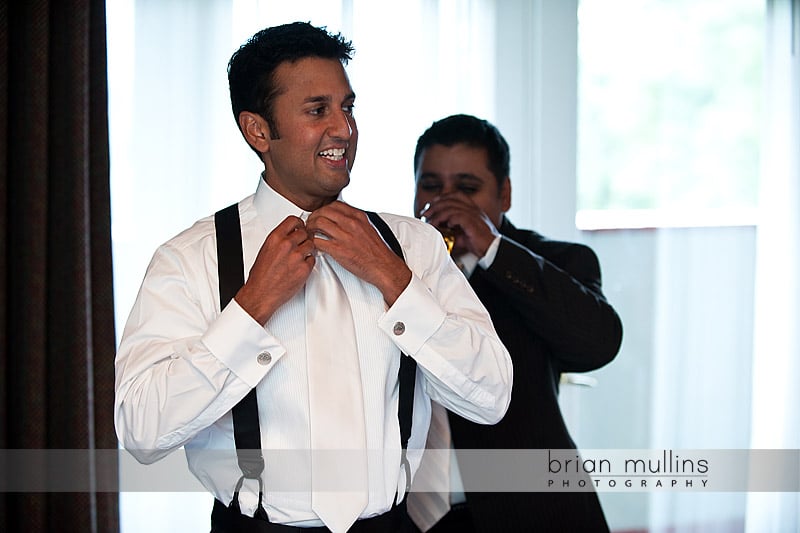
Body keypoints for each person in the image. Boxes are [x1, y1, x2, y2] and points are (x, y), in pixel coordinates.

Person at [114, 25, 512, 533]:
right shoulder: (190, 258)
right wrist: (252, 307)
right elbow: (142, 432)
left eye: (348, 107)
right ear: (258, 131)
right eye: (317, 110)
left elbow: (491, 397)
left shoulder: (414, 246)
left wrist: (396, 283)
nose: (344, 128)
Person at [407, 114, 623, 532]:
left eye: (468, 189)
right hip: (408, 517)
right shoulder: (392, 267)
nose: (448, 201)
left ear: (504, 193)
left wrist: (490, 247)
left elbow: (599, 343)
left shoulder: (560, 262)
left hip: (534, 511)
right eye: (432, 186)